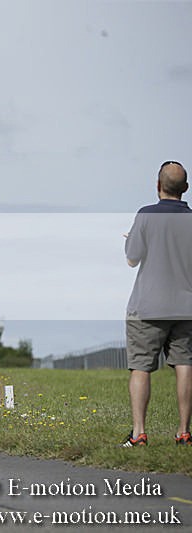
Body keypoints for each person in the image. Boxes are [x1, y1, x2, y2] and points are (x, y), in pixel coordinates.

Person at [122, 160, 192, 447]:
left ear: (158, 185)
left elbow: (132, 259)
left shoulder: (146, 215)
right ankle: (184, 432)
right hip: (186, 306)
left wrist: (131, 239)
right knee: (185, 364)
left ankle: (139, 433)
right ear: (185, 188)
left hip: (147, 306)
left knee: (141, 367)